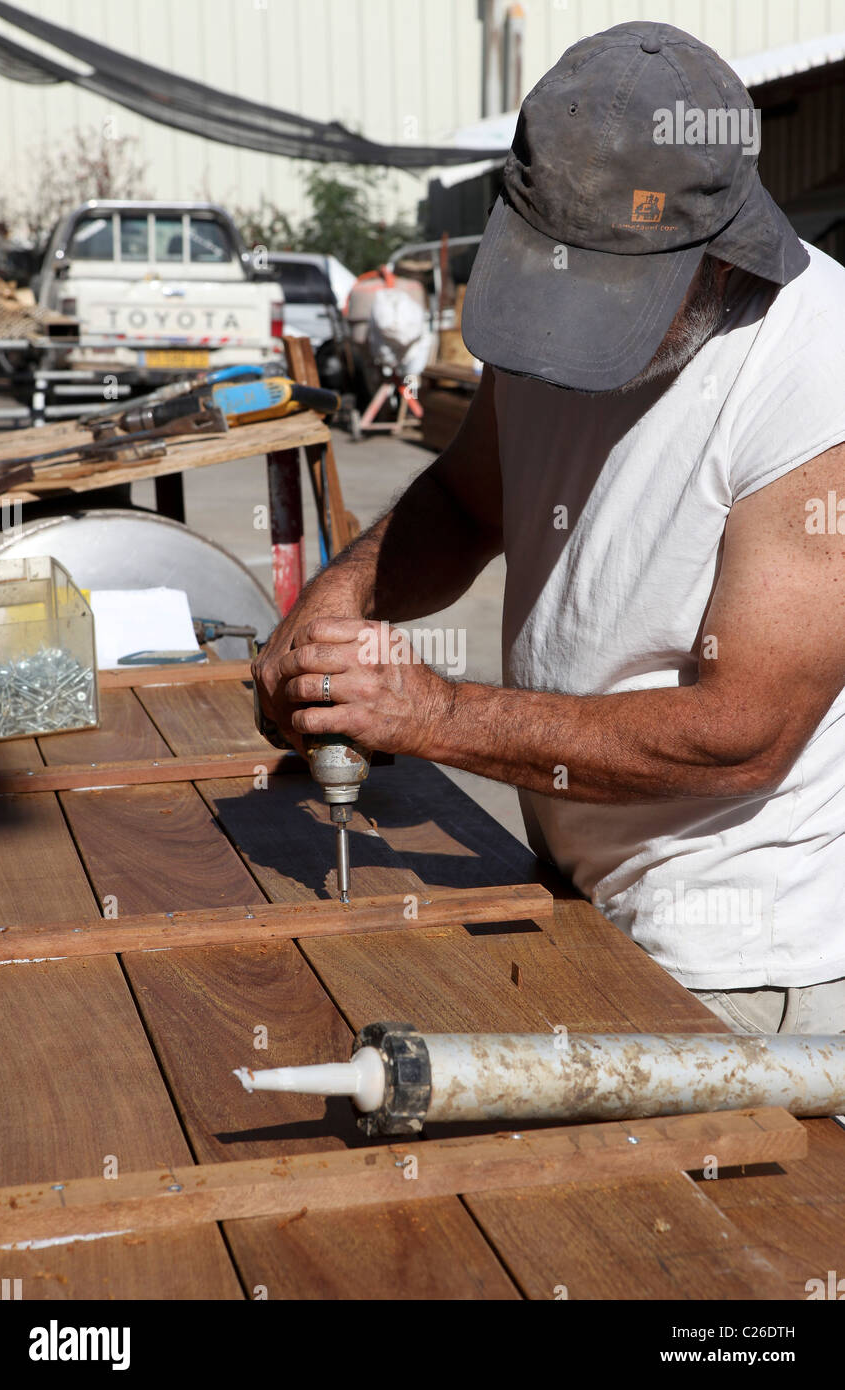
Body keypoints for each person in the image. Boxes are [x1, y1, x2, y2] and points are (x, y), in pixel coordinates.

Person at [253, 22, 845, 1035]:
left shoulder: (811, 370)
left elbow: (739, 736)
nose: (570, 328)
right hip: (573, 877)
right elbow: (467, 498)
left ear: (712, 260)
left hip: (736, 953)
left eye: (611, 300)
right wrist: (328, 610)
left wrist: (430, 712)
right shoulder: (556, 312)